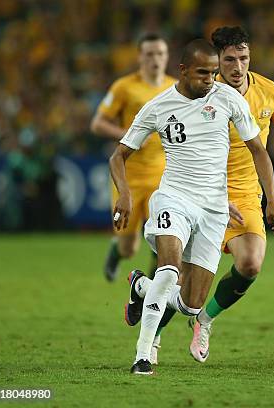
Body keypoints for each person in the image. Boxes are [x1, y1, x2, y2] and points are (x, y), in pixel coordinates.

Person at [126, 26, 274, 364]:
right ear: (215, 60)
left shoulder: (269, 92)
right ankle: (153, 336)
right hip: (203, 193)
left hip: (247, 193)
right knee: (183, 279)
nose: (238, 67)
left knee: (250, 263)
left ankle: (204, 320)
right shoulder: (200, 93)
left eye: (244, 58)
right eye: (230, 60)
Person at [110, 39, 274, 375]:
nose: (210, 79)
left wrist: (272, 199)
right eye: (203, 73)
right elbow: (119, 156)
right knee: (170, 268)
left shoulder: (228, 99)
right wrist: (125, 194)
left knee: (192, 306)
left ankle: (140, 287)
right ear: (183, 70)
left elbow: (258, 150)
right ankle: (143, 356)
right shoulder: (158, 107)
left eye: (214, 72)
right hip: (173, 198)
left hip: (213, 211)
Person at [91, 33, 176, 281]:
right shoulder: (124, 86)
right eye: (149, 54)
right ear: (140, 57)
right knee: (129, 246)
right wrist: (130, 136)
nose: (155, 59)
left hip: (163, 175)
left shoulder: (175, 88)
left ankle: (152, 290)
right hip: (128, 176)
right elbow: (97, 124)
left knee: (164, 237)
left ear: (167, 56)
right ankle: (116, 252)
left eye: (160, 53)